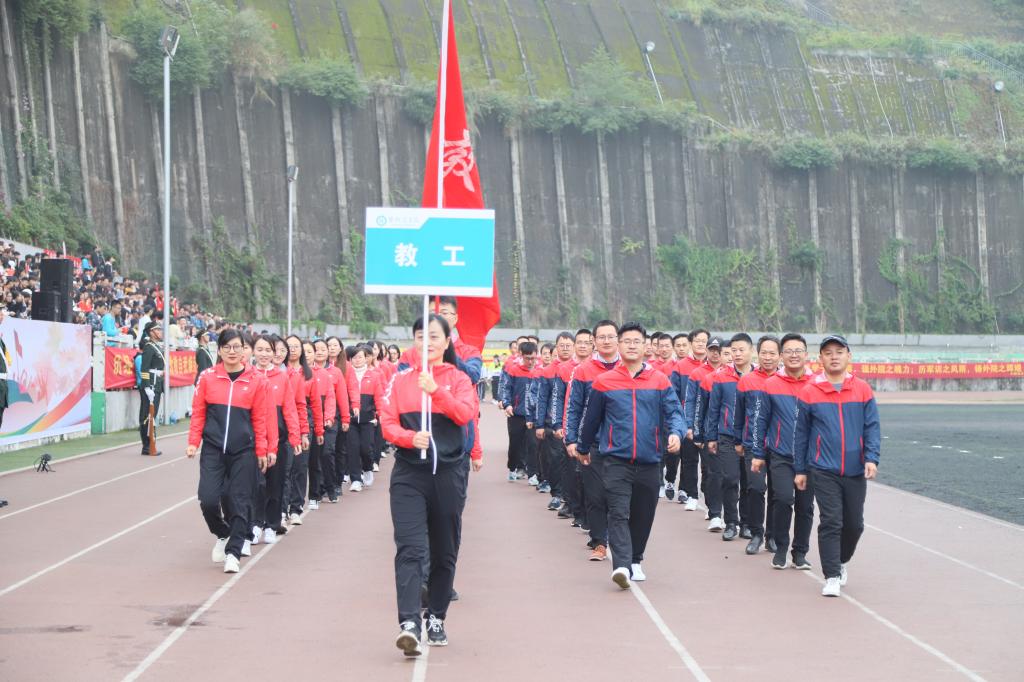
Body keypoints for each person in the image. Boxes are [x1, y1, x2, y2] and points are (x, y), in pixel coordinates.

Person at [381, 314, 478, 656]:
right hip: (409, 475)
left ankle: (436, 616)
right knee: (410, 548)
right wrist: (409, 438)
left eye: (434, 336)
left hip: (448, 475)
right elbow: (387, 423)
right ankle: (409, 623)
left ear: (447, 341)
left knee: (444, 550)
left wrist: (435, 391)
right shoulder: (400, 380)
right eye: (421, 336)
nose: (428, 342)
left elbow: (465, 414)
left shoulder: (459, 379)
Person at [578, 322, 683, 589]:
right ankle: (622, 565)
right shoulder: (604, 382)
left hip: (650, 460)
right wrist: (583, 447)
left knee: (643, 513)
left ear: (645, 346)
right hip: (616, 460)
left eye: (637, 341)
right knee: (618, 512)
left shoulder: (659, 380)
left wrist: (676, 433)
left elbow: (674, 412)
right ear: (619, 345)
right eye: (627, 341)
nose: (632, 346)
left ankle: (636, 559)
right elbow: (592, 420)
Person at [794, 334, 881, 597]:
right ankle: (831, 576)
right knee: (831, 521)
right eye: (828, 352)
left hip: (855, 469)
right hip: (823, 468)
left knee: (854, 524)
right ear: (820, 358)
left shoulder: (862, 389)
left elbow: (872, 426)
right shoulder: (810, 391)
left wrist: (871, 457)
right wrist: (800, 469)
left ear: (848, 356)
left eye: (839, 352)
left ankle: (841, 561)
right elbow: (801, 434)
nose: (834, 357)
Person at [186, 328, 270, 573]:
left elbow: (260, 419)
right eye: (227, 347)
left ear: (244, 350)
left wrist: (262, 450)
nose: (232, 352)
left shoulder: (256, 380)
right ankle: (223, 533)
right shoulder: (208, 377)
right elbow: (198, 412)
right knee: (208, 500)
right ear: (220, 350)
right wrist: (193, 441)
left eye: (237, 347)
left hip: (244, 450)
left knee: (239, 500)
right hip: (213, 449)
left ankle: (233, 553)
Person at [751, 332, 814, 570]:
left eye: (798, 351)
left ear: (806, 354)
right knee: (784, 499)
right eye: (788, 351)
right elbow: (760, 421)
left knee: (805, 506)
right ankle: (781, 548)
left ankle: (800, 553)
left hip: (809, 459)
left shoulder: (816, 383)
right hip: (781, 455)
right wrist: (758, 453)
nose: (794, 355)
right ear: (782, 356)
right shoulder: (771, 385)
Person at [565, 320, 621, 561]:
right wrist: (571, 439)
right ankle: (599, 542)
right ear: (594, 342)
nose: (606, 341)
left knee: (619, 496)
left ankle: (620, 541)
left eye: (611, 336)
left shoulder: (628, 368)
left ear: (618, 339)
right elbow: (574, 407)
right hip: (593, 444)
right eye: (602, 337)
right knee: (595, 495)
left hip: (622, 444)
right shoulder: (583, 371)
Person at [733, 335, 781, 554]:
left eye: (772, 353)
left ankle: (772, 535)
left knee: (777, 493)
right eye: (764, 353)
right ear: (757, 354)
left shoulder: (784, 380)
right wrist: (738, 440)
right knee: (755, 488)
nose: (767, 357)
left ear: (779, 356)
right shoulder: (747, 381)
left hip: (779, 446)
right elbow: (739, 414)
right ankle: (756, 534)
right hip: (753, 444)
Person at [253, 334, 299, 545]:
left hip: (277, 441)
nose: (264, 354)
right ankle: (255, 524)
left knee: (275, 484)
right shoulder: (249, 375)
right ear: (253, 351)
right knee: (255, 485)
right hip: (253, 441)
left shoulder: (281, 377)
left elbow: (290, 408)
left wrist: (295, 436)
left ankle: (271, 525)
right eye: (260, 350)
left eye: (268, 350)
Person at [671, 329, 708, 510]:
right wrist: (682, 421)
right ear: (691, 343)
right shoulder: (680, 367)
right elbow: (674, 395)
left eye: (704, 341)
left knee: (708, 464)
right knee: (689, 460)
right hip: (688, 420)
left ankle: (707, 495)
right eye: (697, 341)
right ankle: (691, 493)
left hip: (708, 422)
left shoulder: (714, 366)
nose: (701, 344)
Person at [500, 341, 539, 482]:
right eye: (527, 358)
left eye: (533, 358)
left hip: (533, 416)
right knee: (515, 444)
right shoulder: (513, 370)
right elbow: (506, 389)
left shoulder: (540, 371)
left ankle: (532, 474)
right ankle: (512, 468)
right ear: (521, 355)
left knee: (533, 445)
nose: (530, 361)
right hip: (516, 414)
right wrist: (507, 404)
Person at [138, 323, 166, 456]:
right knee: (147, 415)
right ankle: (147, 445)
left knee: (152, 415)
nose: (160, 332)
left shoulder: (156, 347)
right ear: (151, 332)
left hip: (157, 383)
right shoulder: (149, 347)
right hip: (152, 385)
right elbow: (144, 369)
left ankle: (151, 444)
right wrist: (147, 387)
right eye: (157, 330)